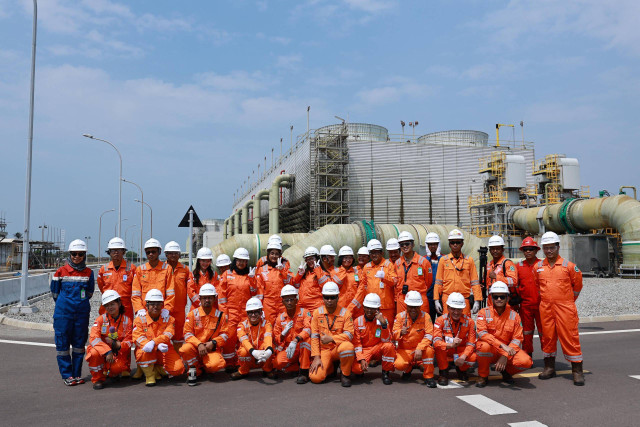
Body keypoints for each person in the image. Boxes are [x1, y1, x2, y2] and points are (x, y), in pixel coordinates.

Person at [535, 231, 585, 386]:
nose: (549, 251)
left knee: (570, 338)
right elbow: (538, 287)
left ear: (558, 247)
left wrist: (567, 301)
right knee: (547, 337)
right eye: (546, 248)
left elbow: (577, 287)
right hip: (546, 307)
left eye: (552, 247)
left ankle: (577, 371)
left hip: (565, 307)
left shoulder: (569, 267)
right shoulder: (538, 267)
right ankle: (549, 367)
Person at [51, 239, 95, 386]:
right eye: (74, 254)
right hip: (63, 314)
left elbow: (89, 292)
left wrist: (78, 304)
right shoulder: (60, 272)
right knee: (63, 345)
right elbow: (55, 293)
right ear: (70, 254)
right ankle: (67, 375)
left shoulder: (89, 273)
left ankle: (76, 374)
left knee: (79, 345)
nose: (77, 257)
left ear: (84, 255)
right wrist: (66, 305)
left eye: (80, 254)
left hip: (81, 314)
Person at [475, 282, 532, 387]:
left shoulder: (515, 316)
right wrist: (501, 345)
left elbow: (517, 339)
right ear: (491, 297)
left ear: (507, 298)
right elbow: (482, 333)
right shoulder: (483, 313)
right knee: (483, 347)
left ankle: (506, 372)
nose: (499, 299)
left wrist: (505, 355)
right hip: (491, 349)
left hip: (507, 351)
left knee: (526, 362)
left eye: (502, 296)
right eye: (496, 296)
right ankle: (483, 375)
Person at [218, 248, 261, 372]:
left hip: (245, 314)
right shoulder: (227, 274)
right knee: (230, 338)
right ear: (235, 261)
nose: (241, 263)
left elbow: (254, 293)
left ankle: (242, 362)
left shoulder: (250, 275)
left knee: (244, 338)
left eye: (244, 261)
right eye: (239, 260)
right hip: (231, 313)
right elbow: (222, 296)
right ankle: (230, 363)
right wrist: (224, 313)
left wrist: (253, 280)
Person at [132, 289, 185, 386]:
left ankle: (156, 369)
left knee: (179, 369)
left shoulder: (169, 319)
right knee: (142, 352)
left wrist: (154, 342)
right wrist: (151, 344)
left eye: (158, 304)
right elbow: (137, 337)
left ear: (162, 305)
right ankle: (150, 375)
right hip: (147, 350)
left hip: (164, 350)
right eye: (152, 304)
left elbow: (168, 334)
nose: (155, 307)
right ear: (147, 305)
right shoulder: (139, 320)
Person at [180, 284, 229, 385]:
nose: (207, 300)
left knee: (216, 365)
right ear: (200, 299)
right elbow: (187, 334)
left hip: (210, 349)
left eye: (210, 298)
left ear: (214, 299)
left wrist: (214, 343)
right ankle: (195, 369)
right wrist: (199, 344)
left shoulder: (221, 315)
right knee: (185, 349)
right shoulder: (192, 314)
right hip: (196, 348)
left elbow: (225, 334)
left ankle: (205, 366)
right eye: (205, 298)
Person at [309, 282, 355, 387]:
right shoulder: (317, 313)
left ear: (338, 298)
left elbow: (349, 334)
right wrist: (316, 357)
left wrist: (331, 338)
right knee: (315, 378)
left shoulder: (345, 313)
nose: (329, 300)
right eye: (327, 297)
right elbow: (314, 337)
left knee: (348, 347)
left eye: (332, 297)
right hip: (324, 350)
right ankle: (331, 368)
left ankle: (345, 375)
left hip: (338, 348)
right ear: (323, 298)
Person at [85, 290, 133, 389]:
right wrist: (107, 351)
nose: (110, 307)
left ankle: (110, 372)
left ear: (119, 303)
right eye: (107, 305)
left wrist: (119, 345)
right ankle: (98, 379)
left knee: (118, 368)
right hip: (102, 352)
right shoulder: (100, 320)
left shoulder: (127, 321)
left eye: (112, 304)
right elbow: (94, 338)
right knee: (93, 353)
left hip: (117, 352)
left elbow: (129, 341)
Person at [348, 239, 398, 330]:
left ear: (382, 253)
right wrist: (353, 306)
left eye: (376, 252)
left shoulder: (389, 265)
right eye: (372, 253)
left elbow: (394, 281)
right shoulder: (367, 267)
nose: (374, 255)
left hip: (386, 307)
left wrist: (384, 279)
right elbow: (362, 288)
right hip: (371, 307)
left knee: (387, 329)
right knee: (373, 331)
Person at [393, 291, 437, 387]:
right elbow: (393, 334)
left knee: (429, 350)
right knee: (399, 365)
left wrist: (420, 348)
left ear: (420, 306)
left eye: (416, 307)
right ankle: (409, 368)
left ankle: (428, 376)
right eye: (411, 306)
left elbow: (429, 335)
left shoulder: (426, 316)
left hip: (420, 349)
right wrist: (400, 332)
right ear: (406, 305)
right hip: (405, 349)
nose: (413, 309)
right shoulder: (400, 317)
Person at [434, 229, 481, 316]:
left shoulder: (469, 260)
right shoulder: (443, 260)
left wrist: (477, 301)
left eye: (458, 242)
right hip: (447, 299)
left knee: (465, 325)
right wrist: (436, 300)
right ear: (449, 244)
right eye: (452, 242)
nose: (455, 245)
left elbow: (475, 282)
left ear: (462, 243)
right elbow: (438, 282)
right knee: (448, 326)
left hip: (464, 299)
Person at [433, 292, 477, 385]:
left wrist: (463, 357)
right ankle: (443, 372)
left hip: (461, 352)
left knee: (473, 356)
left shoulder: (470, 322)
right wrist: (450, 345)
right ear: (448, 308)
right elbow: (436, 341)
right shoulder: (440, 320)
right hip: (447, 352)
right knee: (439, 348)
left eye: (459, 309)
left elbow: (471, 343)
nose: (456, 312)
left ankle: (462, 369)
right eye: (453, 309)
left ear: (463, 309)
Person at [352, 293, 396, 385]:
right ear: (363, 307)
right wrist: (361, 359)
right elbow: (357, 343)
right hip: (365, 350)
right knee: (357, 369)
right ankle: (362, 370)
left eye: (372, 308)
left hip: (378, 348)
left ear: (377, 309)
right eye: (367, 307)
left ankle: (386, 373)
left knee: (389, 346)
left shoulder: (383, 319)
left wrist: (384, 325)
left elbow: (386, 340)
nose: (369, 310)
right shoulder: (357, 321)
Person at [273, 285, 312, 384]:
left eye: (291, 299)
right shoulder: (280, 318)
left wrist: (296, 340)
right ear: (282, 302)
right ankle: (296, 367)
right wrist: (282, 334)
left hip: (302, 347)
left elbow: (308, 329)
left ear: (296, 300)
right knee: (277, 363)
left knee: (306, 341)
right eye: (286, 300)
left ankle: (303, 372)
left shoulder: (305, 313)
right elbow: (277, 339)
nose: (289, 302)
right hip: (290, 349)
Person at [231, 297, 275, 380]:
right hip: (251, 353)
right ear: (247, 313)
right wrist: (253, 351)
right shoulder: (242, 325)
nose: (253, 315)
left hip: (262, 355)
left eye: (256, 312)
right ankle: (243, 371)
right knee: (243, 351)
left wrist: (269, 350)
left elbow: (268, 338)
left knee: (271, 346)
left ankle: (267, 370)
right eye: (250, 312)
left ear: (261, 313)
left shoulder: (267, 324)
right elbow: (244, 341)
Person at [131, 238, 174, 319]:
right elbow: (135, 294)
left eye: (153, 251)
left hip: (162, 312)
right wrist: (139, 309)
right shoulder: (140, 270)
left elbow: (170, 293)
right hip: (144, 312)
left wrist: (167, 309)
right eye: (148, 252)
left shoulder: (167, 269)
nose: (150, 254)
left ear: (159, 252)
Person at [515, 237, 543, 356]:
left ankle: (548, 357)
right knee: (526, 332)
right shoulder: (518, 266)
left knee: (545, 332)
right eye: (525, 249)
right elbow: (514, 285)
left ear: (536, 250)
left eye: (531, 249)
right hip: (525, 306)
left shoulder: (542, 265)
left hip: (542, 305)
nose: (528, 251)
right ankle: (527, 356)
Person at [97, 237, 135, 320]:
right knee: (108, 331)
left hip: (125, 307)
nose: (116, 252)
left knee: (126, 330)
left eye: (119, 250)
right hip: (108, 306)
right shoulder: (104, 269)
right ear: (109, 252)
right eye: (113, 250)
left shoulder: (131, 269)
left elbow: (136, 288)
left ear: (124, 251)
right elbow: (101, 286)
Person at [396, 231, 433, 315]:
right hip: (402, 299)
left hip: (419, 299)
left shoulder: (423, 262)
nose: (404, 246)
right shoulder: (397, 263)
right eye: (402, 244)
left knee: (422, 325)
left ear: (413, 244)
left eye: (407, 243)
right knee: (402, 325)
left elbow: (429, 282)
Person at [164, 241, 192, 351]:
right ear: (166, 254)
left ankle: (178, 359)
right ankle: (166, 362)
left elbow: (190, 288)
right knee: (165, 335)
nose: (173, 255)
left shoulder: (185, 269)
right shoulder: (162, 269)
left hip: (180, 310)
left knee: (179, 337)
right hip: (165, 309)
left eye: (175, 253)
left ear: (179, 255)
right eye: (170, 253)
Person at [256, 239, 291, 324]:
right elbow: (259, 290)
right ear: (268, 254)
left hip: (282, 303)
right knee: (269, 326)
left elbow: (290, 283)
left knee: (282, 325)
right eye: (272, 253)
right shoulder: (262, 269)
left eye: (276, 254)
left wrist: (282, 270)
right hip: (268, 304)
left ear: (280, 255)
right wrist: (260, 307)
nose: (274, 256)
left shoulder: (284, 267)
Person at [485, 235, 519, 308]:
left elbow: (514, 281)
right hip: (491, 301)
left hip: (504, 301)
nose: (495, 251)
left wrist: (496, 277)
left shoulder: (507, 263)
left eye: (497, 249)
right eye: (493, 249)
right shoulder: (489, 265)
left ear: (502, 249)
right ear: (490, 250)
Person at [293, 246, 324, 311]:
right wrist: (300, 274)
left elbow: (324, 286)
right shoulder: (305, 273)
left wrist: (318, 270)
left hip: (315, 308)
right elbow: (296, 285)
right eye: (307, 259)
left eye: (312, 258)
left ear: (317, 259)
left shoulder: (323, 273)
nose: (309, 261)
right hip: (303, 308)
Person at [336, 246, 360, 318]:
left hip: (355, 308)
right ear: (341, 259)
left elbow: (361, 290)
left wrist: (353, 305)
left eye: (350, 258)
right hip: (340, 308)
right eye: (345, 258)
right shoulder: (335, 272)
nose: (347, 260)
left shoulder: (357, 272)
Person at [425, 232, 442, 323]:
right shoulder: (424, 259)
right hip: (428, 297)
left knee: (442, 322)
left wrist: (439, 256)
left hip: (441, 296)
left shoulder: (443, 259)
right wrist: (428, 257)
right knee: (429, 322)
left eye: (435, 244)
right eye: (430, 244)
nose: (432, 246)